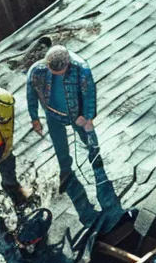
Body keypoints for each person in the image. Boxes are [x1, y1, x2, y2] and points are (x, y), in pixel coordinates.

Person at [25, 45, 100, 186]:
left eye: (61, 72)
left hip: (77, 113)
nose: (57, 74)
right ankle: (65, 170)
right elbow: (31, 95)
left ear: (68, 63)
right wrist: (34, 118)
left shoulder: (82, 70)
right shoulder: (36, 71)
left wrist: (87, 117)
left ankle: (95, 156)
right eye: (53, 72)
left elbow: (89, 95)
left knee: (88, 136)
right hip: (52, 113)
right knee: (59, 144)